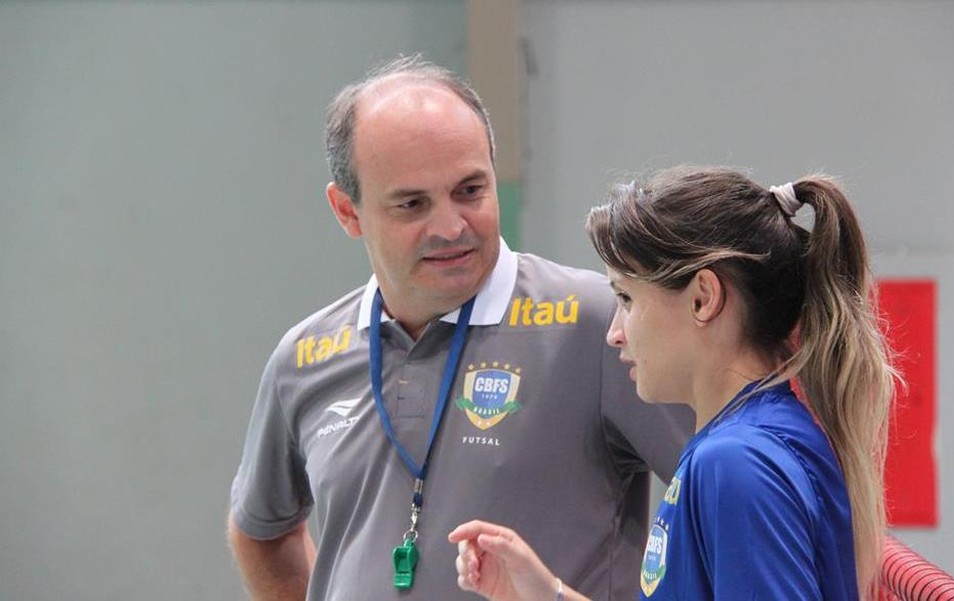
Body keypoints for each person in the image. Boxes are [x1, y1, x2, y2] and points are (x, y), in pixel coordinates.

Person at [226, 56, 694, 600]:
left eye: (470, 191)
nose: (450, 227)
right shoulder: (304, 357)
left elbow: (735, 505)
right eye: (412, 204)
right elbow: (262, 530)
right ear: (347, 212)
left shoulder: (599, 323)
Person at [450, 166, 896, 600]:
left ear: (703, 298)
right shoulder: (737, 445)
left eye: (627, 298)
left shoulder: (737, 463)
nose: (614, 332)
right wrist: (548, 594)